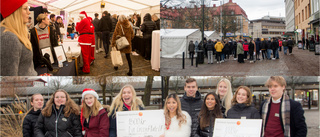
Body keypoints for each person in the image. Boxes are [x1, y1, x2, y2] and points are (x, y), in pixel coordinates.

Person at [0, 0, 37, 76]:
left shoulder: (16, 34)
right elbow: (8, 80)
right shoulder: (8, 37)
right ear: (15, 12)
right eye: (25, 8)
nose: (29, 12)